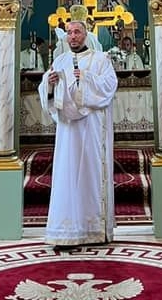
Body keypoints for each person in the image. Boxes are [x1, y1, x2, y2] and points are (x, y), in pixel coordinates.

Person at [38, 19, 118, 249]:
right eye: (70, 33)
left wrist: (85, 78)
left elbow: (109, 86)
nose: (73, 36)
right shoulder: (60, 60)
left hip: (92, 129)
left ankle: (94, 230)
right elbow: (47, 93)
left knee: (90, 174)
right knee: (67, 174)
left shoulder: (100, 59)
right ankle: (66, 231)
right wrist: (49, 84)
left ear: (86, 35)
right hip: (68, 131)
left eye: (77, 32)